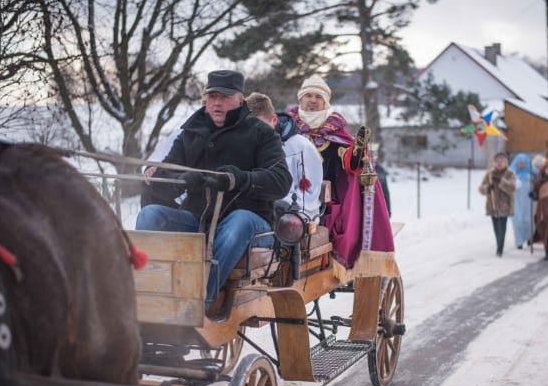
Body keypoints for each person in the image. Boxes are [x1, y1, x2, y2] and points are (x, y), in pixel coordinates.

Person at [136, 70, 292, 314]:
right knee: (151, 215)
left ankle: (198, 303)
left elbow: (281, 181)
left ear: (240, 100)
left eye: (225, 96)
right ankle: (149, 296)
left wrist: (239, 179)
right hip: (200, 221)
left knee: (239, 221)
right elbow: (160, 178)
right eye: (213, 96)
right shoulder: (191, 133)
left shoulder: (261, 134)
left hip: (252, 225)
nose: (218, 102)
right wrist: (183, 181)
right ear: (205, 100)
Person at [289, 74, 395, 275]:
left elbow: (350, 164)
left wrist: (357, 150)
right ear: (300, 99)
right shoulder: (286, 129)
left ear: (325, 102)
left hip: (323, 204)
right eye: (308, 95)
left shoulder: (334, 132)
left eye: (318, 97)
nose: (312, 100)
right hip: (288, 196)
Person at [245, 92, 323, 220]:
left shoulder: (301, 147)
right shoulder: (245, 145)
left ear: (274, 120)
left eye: (261, 126)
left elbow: (309, 194)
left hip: (294, 214)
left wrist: (283, 205)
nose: (256, 133)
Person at [479, 152, 517, 257]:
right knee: (496, 227)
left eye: (502, 161)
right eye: (497, 162)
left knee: (502, 227)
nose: (499, 163)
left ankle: (500, 248)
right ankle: (498, 244)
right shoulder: (489, 174)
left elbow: (512, 188)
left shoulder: (510, 174)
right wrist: (487, 188)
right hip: (492, 204)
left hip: (504, 205)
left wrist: (501, 181)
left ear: (506, 163)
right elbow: (481, 188)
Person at [509, 153, 536, 249]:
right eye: (519, 163)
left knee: (529, 220)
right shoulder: (511, 174)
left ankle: (530, 238)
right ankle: (519, 241)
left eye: (523, 163)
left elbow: (538, 184)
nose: (521, 165)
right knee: (517, 220)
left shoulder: (532, 174)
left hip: (529, 202)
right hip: (516, 202)